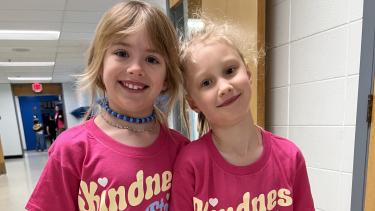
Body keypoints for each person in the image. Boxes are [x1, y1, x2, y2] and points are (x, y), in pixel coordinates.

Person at [26, 1, 188, 210]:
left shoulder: (181, 150)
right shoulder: (71, 149)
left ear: (166, 77)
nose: (136, 69)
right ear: (100, 63)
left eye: (151, 58)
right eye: (122, 53)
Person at [170, 19, 315, 210]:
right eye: (206, 83)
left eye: (230, 71)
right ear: (193, 103)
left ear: (247, 73)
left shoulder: (290, 157)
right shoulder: (191, 165)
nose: (224, 87)